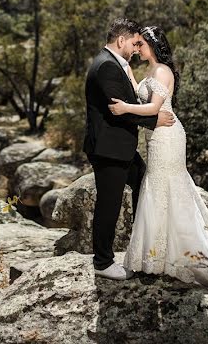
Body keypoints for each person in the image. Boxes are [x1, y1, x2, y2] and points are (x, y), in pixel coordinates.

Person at [108, 25, 208, 344]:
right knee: (156, 192)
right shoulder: (151, 70)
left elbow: (152, 109)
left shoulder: (163, 71)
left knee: (167, 192)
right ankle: (157, 256)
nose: (138, 48)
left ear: (152, 45)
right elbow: (141, 91)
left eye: (141, 44)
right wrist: (126, 65)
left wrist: (124, 109)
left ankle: (192, 259)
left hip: (167, 138)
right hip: (154, 139)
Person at [83, 18, 175, 281]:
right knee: (109, 204)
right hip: (108, 149)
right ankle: (102, 261)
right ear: (121, 40)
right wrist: (154, 120)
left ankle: (143, 247)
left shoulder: (114, 64)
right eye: (134, 43)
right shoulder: (106, 67)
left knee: (144, 184)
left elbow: (129, 100)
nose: (136, 48)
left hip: (119, 148)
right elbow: (118, 110)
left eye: (140, 44)